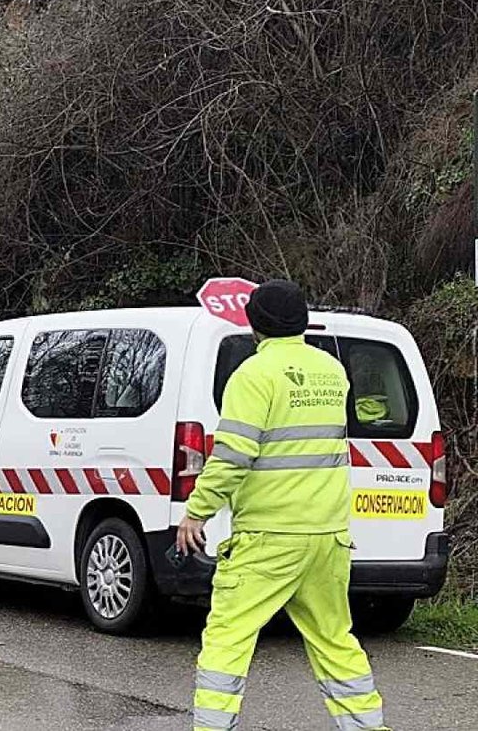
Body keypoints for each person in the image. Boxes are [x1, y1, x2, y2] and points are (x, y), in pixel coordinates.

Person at [177, 279, 387, 731]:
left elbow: (233, 456)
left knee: (227, 639)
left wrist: (197, 512)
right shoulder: (333, 372)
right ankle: (369, 727)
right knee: (334, 640)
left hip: (268, 539)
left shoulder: (253, 376)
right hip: (328, 536)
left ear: (255, 324)